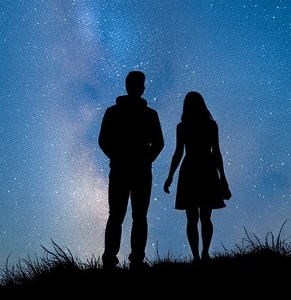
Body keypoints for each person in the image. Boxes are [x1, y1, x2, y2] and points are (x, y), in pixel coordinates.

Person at [98, 70, 164, 269]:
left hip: (123, 169)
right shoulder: (149, 114)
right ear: (142, 88)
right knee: (136, 216)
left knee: (119, 215)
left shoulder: (114, 112)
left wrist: (117, 157)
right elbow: (159, 143)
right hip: (138, 170)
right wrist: (145, 159)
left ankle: (112, 258)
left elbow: (103, 140)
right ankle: (133, 259)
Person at [163, 91, 231, 263]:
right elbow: (180, 152)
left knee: (197, 217)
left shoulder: (187, 126)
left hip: (194, 168)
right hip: (202, 168)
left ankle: (201, 255)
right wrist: (170, 175)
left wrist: (223, 177)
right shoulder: (205, 125)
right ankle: (200, 255)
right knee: (198, 217)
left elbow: (215, 151)